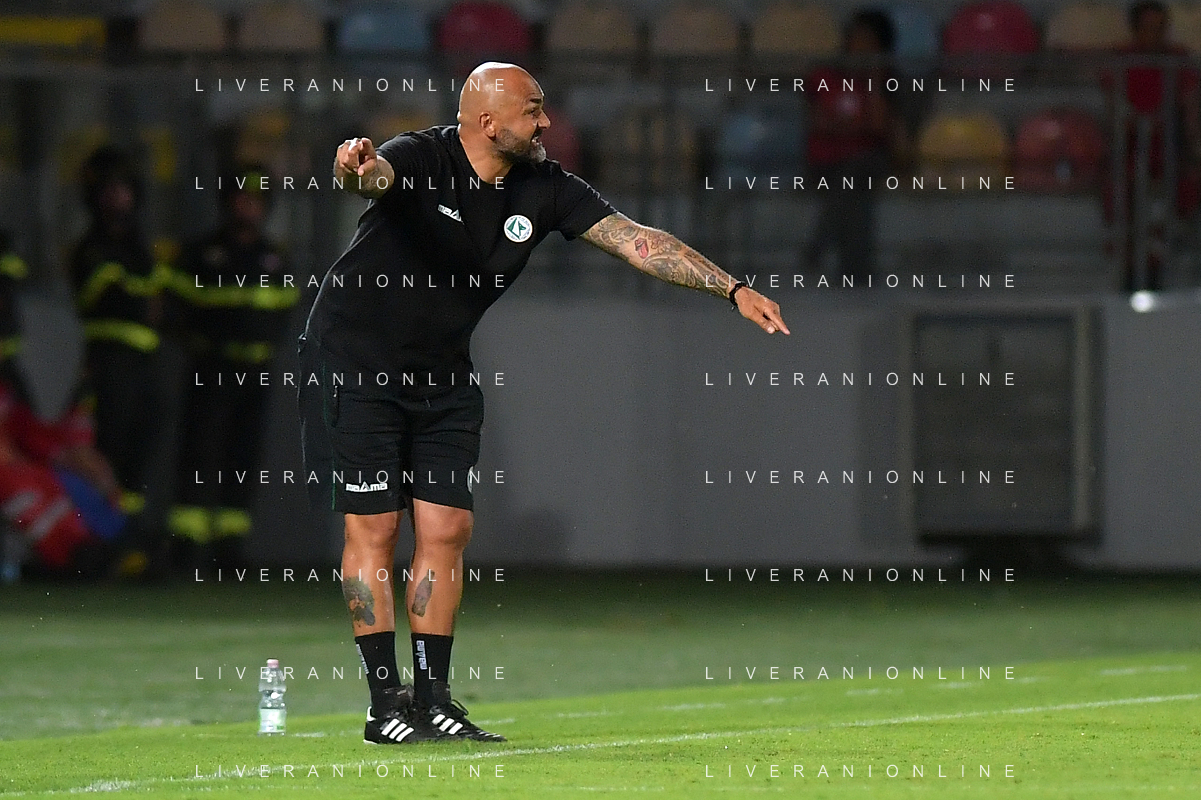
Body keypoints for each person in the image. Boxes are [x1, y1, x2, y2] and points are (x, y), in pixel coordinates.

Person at [298, 62, 789, 745]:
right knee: (375, 529)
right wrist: (353, 166)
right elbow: (371, 178)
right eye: (532, 110)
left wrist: (731, 289)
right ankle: (386, 706)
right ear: (488, 122)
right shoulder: (422, 157)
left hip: (442, 373)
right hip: (355, 362)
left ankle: (433, 701)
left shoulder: (546, 187)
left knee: (446, 529)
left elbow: (636, 241)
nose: (546, 122)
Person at [167, 165, 298, 574]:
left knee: (243, 455)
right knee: (199, 452)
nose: (248, 207)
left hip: (256, 371)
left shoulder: (274, 258)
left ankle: (229, 550)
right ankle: (186, 548)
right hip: (211, 367)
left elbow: (285, 312)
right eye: (242, 198)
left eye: (256, 200)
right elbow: (175, 308)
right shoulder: (200, 254)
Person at [69, 146, 167, 525]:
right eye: (108, 189)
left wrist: (135, 291)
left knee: (139, 451)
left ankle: (128, 533)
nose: (117, 198)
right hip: (108, 363)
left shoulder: (139, 246)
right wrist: (138, 295)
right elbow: (115, 297)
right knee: (107, 449)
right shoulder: (90, 248)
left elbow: (157, 301)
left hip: (145, 364)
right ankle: (102, 531)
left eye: (123, 188)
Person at [1102, 0, 1201, 290]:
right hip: (1131, 151)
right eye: (1147, 29)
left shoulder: (1178, 59)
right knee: (1123, 191)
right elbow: (1113, 106)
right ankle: (1131, 268)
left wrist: (1191, 146)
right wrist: (1134, 124)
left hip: (1171, 150)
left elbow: (1191, 106)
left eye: (1160, 29)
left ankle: (1166, 262)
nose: (1154, 36)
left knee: (1184, 187)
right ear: (1135, 30)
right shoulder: (1121, 59)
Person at [803, 10, 905, 286]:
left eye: (869, 42)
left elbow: (880, 127)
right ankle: (856, 275)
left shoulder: (887, 80)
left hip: (865, 162)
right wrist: (856, 128)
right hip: (826, 161)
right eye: (856, 39)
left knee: (856, 180)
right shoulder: (824, 75)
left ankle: (821, 246)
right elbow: (821, 123)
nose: (860, 47)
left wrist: (874, 81)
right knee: (855, 195)